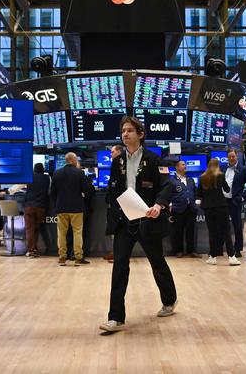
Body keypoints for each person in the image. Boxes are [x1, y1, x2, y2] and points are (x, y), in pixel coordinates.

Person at [100, 116, 177, 333]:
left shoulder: (154, 159)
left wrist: (159, 205)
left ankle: (169, 300)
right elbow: (112, 189)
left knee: (157, 262)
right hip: (125, 221)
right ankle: (115, 317)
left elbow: (166, 186)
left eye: (130, 131)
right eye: (123, 130)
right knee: (120, 266)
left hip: (148, 220)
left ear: (140, 134)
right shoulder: (117, 162)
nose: (125, 134)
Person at [197, 158, 240, 266]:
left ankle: (213, 257)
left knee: (212, 232)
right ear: (217, 165)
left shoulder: (202, 177)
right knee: (226, 231)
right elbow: (226, 189)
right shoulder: (221, 175)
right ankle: (232, 257)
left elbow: (199, 194)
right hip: (221, 206)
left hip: (208, 207)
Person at [51, 152, 88, 266]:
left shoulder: (56, 173)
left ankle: (62, 257)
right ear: (73, 160)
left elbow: (52, 192)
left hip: (61, 207)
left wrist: (57, 203)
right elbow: (86, 190)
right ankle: (78, 257)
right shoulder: (79, 173)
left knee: (61, 233)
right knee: (77, 232)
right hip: (76, 207)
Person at [222, 150, 246, 258]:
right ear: (227, 158)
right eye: (230, 157)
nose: (232, 158)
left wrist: (243, 198)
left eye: (233, 156)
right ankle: (220, 248)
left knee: (237, 226)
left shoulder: (243, 169)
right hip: (224, 201)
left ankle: (238, 249)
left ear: (237, 157)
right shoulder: (223, 168)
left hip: (235, 201)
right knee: (223, 225)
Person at [169, 160, 200, 258]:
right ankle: (179, 250)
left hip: (191, 208)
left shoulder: (190, 179)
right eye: (183, 164)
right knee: (178, 231)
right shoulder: (171, 180)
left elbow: (195, 192)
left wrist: (196, 201)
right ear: (177, 167)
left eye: (185, 164)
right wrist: (170, 205)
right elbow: (168, 194)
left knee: (191, 230)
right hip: (178, 209)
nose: (185, 166)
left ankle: (192, 251)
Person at [24, 163, 51, 258]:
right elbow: (49, 192)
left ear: (34, 169)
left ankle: (30, 250)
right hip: (41, 207)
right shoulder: (47, 178)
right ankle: (34, 248)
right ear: (43, 169)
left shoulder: (29, 177)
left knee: (29, 229)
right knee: (36, 228)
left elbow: (16, 188)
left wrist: (6, 192)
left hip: (29, 206)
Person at [104, 144, 123, 263]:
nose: (111, 154)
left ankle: (119, 254)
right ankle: (116, 253)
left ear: (119, 152)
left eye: (112, 152)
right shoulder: (115, 164)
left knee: (119, 230)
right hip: (114, 203)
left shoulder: (120, 163)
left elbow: (117, 184)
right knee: (115, 230)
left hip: (119, 204)